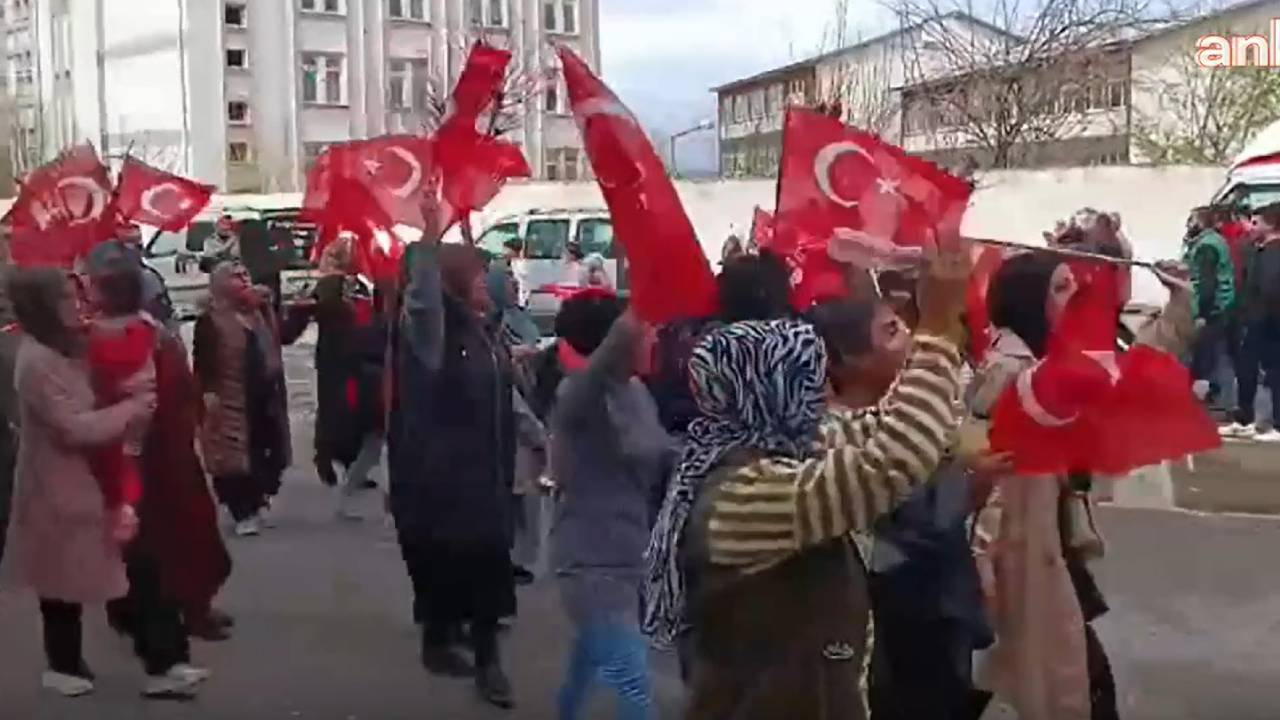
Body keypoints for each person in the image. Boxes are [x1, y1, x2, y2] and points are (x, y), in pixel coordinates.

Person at [644, 237, 972, 718]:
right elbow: (889, 462)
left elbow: (886, 427)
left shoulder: (776, 444)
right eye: (807, 380)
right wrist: (939, 331)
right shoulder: (739, 491)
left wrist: (929, 325)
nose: (822, 392)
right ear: (770, 392)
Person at [966, 251, 1194, 720]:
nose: (1076, 298)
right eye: (1061, 287)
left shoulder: (1048, 361)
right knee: (1061, 683)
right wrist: (983, 568)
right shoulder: (1013, 375)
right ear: (1030, 300)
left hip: (1047, 550)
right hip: (1020, 558)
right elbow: (990, 483)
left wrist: (1178, 305)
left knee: (1035, 678)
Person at [0, 267, 208, 699]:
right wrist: (132, 409)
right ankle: (66, 663)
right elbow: (74, 428)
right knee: (62, 585)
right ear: (42, 307)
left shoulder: (75, 343)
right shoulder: (35, 361)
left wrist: (143, 336)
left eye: (77, 295)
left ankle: (163, 661)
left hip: (104, 481)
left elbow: (124, 351)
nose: (77, 305)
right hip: (62, 488)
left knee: (136, 568)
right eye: (64, 298)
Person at [805, 296, 1006, 720]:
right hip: (901, 622)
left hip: (940, 605)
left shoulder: (912, 414)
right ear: (845, 361)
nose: (911, 340)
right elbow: (905, 530)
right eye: (892, 332)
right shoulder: (836, 438)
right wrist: (969, 487)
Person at [388, 214, 517, 708]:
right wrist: (427, 235)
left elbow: (505, 395)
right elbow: (422, 302)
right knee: (475, 564)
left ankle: (445, 642)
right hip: (445, 473)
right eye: (480, 276)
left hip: (486, 469)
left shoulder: (482, 333)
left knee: (472, 562)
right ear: (457, 283)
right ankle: (486, 663)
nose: (489, 284)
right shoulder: (434, 330)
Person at [550, 292, 672, 720]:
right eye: (644, 333)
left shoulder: (636, 392)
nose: (652, 338)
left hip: (629, 556)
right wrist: (641, 295)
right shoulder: (579, 396)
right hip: (588, 564)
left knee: (589, 664)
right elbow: (601, 366)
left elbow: (659, 454)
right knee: (634, 687)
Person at [283, 239, 389, 515]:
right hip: (339, 362)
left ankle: (350, 464)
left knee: (363, 417)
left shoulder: (364, 285)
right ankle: (331, 457)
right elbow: (298, 323)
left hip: (365, 360)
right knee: (340, 413)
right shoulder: (329, 286)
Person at [194, 262, 291, 537]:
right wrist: (208, 395)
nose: (244, 278)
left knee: (264, 448)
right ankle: (242, 511)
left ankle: (258, 501)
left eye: (245, 274)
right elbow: (204, 361)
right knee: (232, 457)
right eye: (235, 276)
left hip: (262, 397)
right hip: (229, 395)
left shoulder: (258, 312)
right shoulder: (211, 320)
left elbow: (280, 339)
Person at [487, 264, 547, 584]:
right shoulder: (494, 325)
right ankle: (518, 560)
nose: (513, 285)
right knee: (520, 495)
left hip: (528, 409)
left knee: (526, 496)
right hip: (513, 423)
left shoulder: (517, 317)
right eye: (507, 281)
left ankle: (523, 559)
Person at [1224, 202, 1280, 439]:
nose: (1250, 227)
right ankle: (1245, 418)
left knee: (1271, 371)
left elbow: (1268, 289)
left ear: (1270, 224)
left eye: (1256, 222)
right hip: (1262, 320)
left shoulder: (1272, 253)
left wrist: (1253, 318)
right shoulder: (1262, 251)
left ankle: (1273, 423)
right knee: (1251, 368)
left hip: (1264, 322)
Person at [1182, 205, 1237, 407]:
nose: (1188, 224)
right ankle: (1218, 397)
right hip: (1221, 306)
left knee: (1207, 356)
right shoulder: (1213, 241)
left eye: (1192, 219)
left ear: (1200, 222)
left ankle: (1213, 400)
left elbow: (1206, 282)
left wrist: (1202, 314)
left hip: (1212, 308)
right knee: (1216, 354)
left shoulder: (1206, 246)